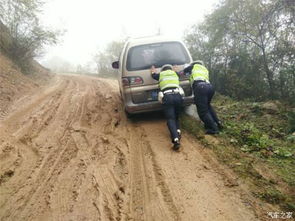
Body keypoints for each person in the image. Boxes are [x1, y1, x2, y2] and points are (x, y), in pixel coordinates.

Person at [183, 60, 222, 134]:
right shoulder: (205, 69)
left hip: (200, 87)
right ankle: (218, 122)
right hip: (210, 87)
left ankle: (214, 128)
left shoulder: (193, 66)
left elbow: (184, 71)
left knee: (203, 111)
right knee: (208, 106)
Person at [151, 64, 183, 150]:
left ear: (163, 70)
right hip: (178, 96)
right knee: (176, 116)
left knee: (170, 118)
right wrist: (175, 69)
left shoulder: (161, 74)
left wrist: (153, 70)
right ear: (170, 69)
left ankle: (176, 140)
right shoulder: (175, 73)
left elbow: (153, 75)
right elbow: (178, 73)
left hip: (168, 97)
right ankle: (178, 131)